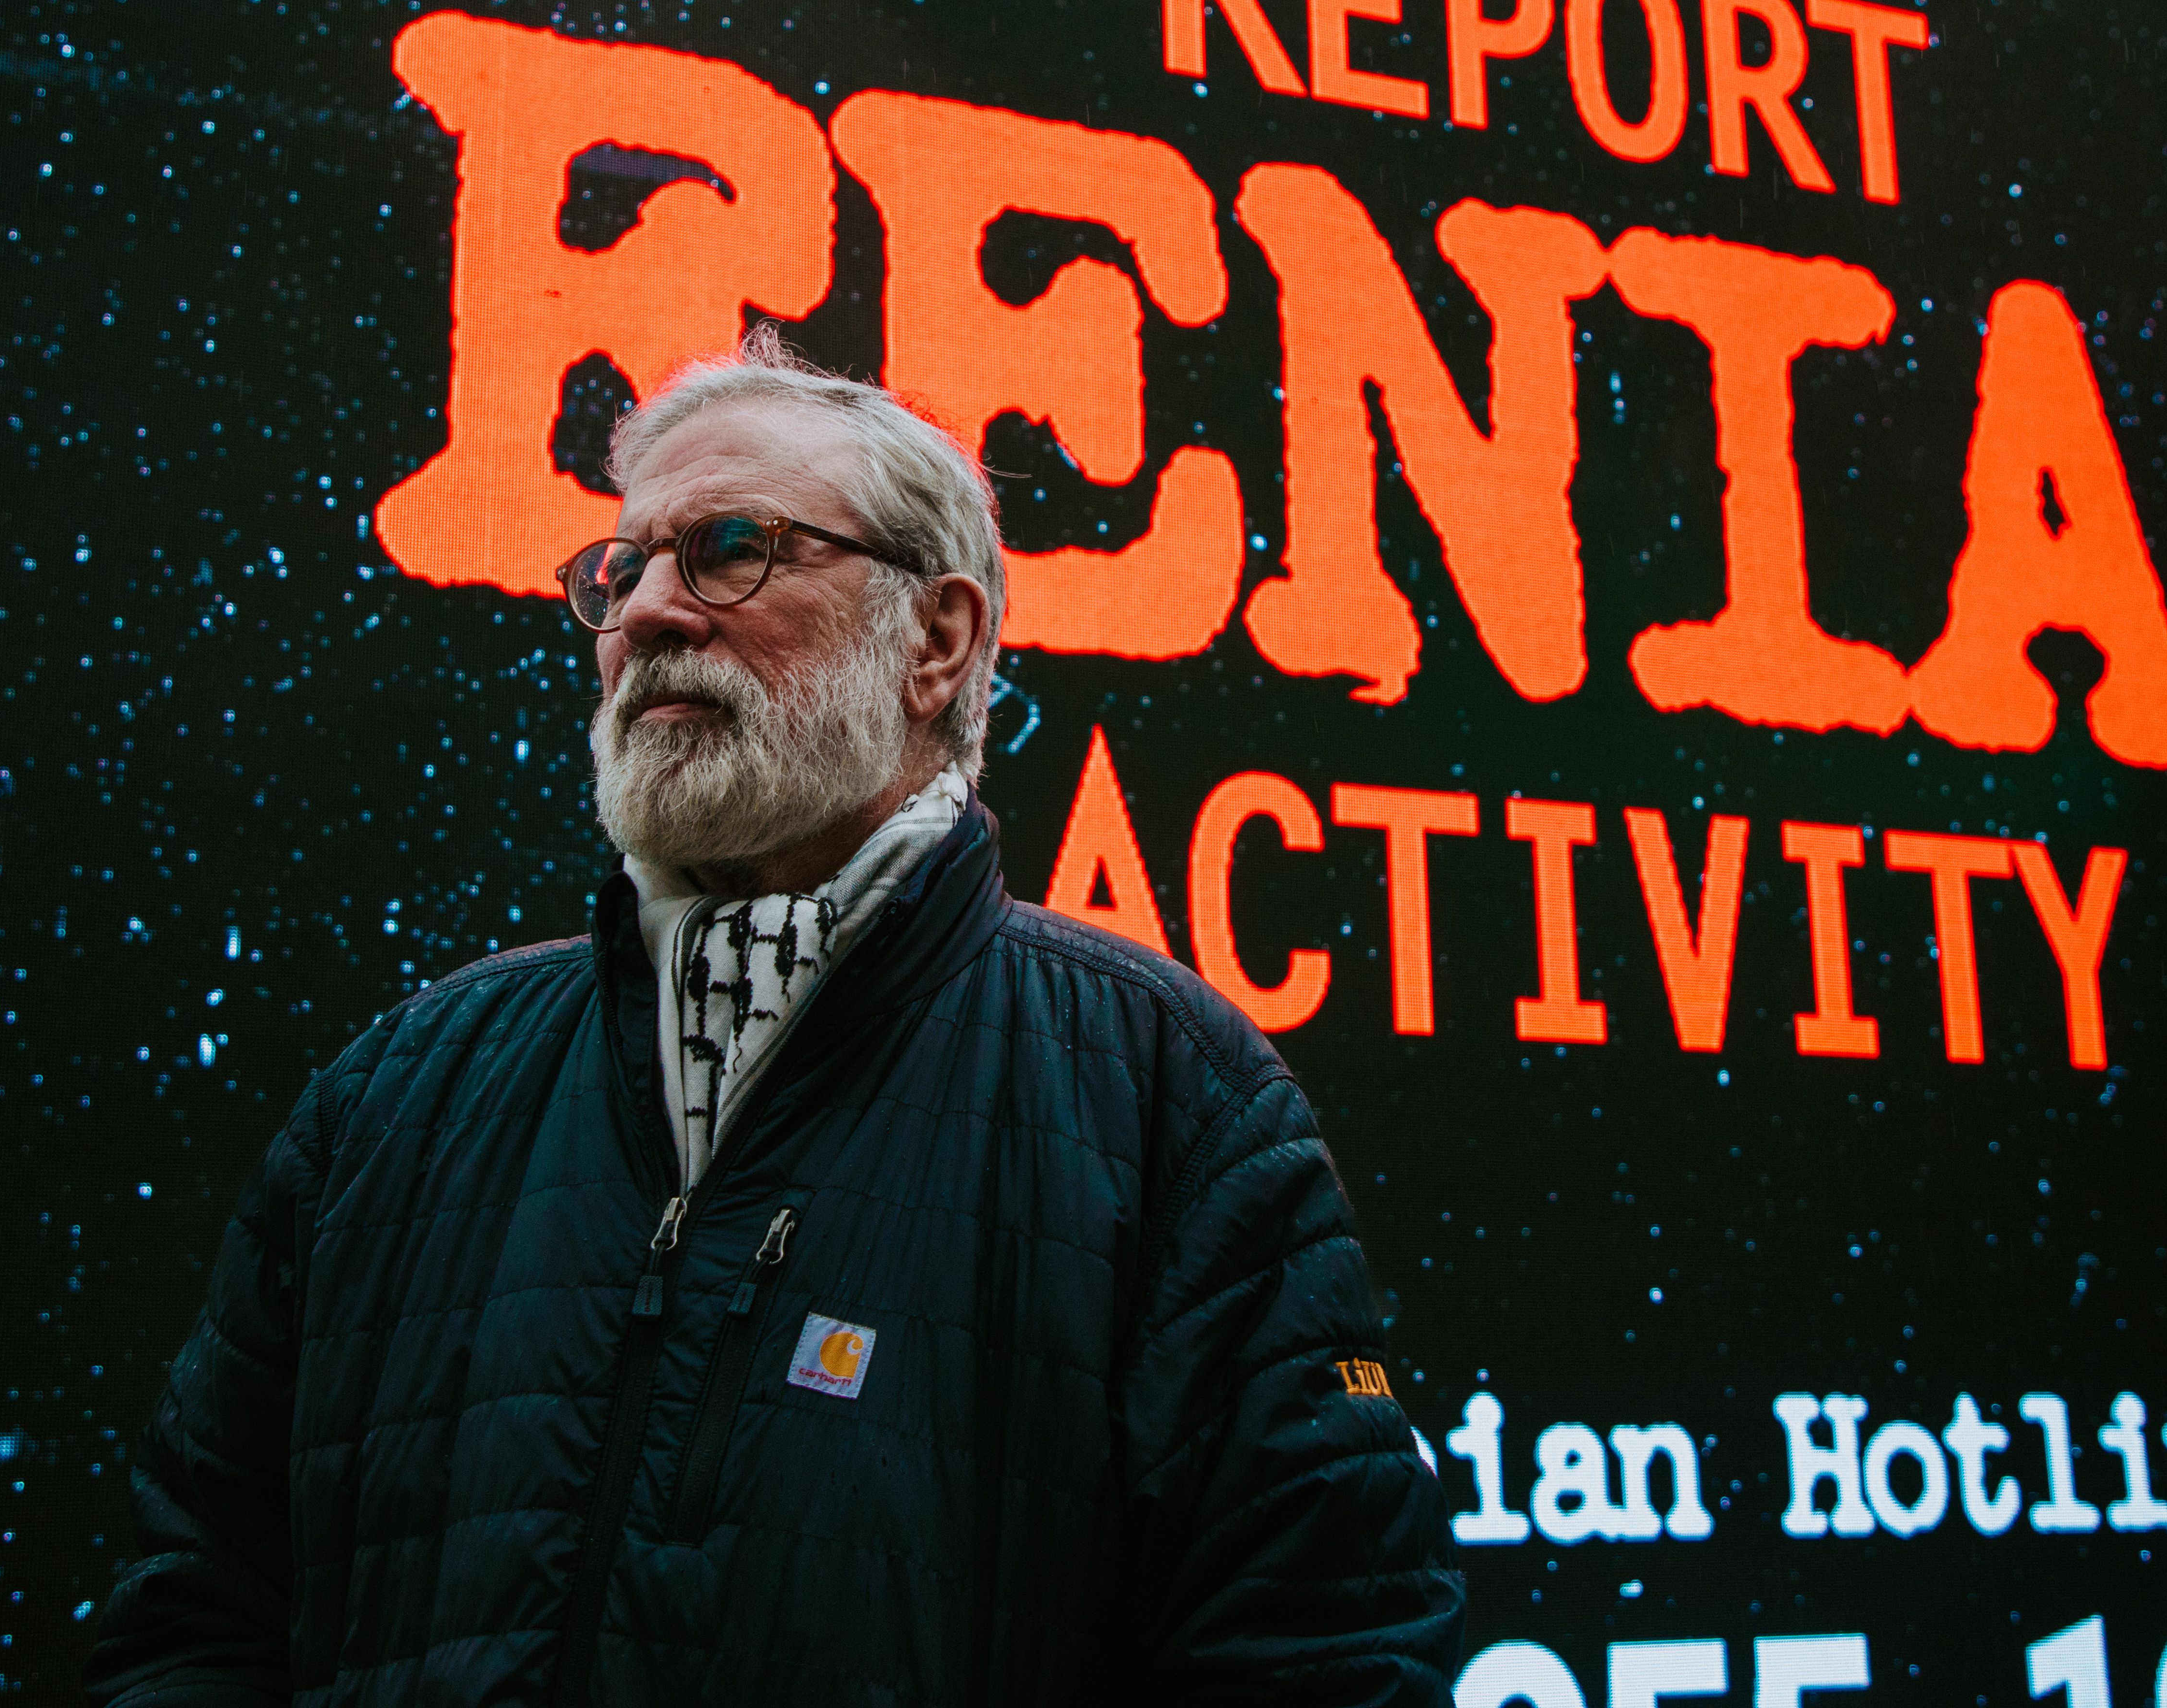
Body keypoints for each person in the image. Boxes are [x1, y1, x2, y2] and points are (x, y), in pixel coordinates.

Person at [85, 329, 1463, 1705]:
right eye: (624, 571)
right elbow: (195, 1615)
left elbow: (1320, 1659)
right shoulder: (397, 1093)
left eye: (733, 547)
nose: (649, 615)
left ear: (938, 640)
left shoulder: (1172, 1098)